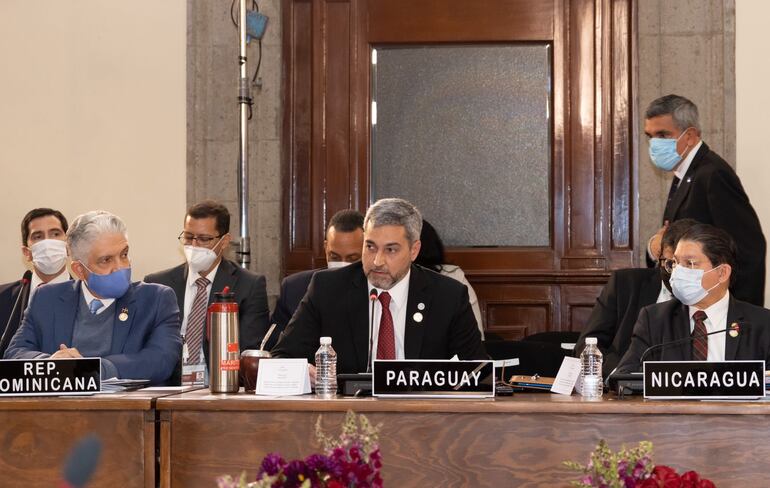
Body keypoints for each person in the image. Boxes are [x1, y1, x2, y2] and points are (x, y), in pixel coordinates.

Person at [271, 198, 486, 374]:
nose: (377, 261)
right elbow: (282, 357)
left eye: (391, 250)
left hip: (422, 419)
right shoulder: (328, 289)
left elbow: (479, 369)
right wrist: (304, 373)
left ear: (414, 250)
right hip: (348, 419)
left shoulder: (447, 296)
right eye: (370, 247)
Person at [4, 210, 181, 385]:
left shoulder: (156, 299)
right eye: (106, 260)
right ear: (80, 270)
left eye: (124, 254)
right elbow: (15, 353)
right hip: (57, 410)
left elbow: (161, 360)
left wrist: (94, 368)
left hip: (125, 412)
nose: (120, 267)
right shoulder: (46, 298)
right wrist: (53, 365)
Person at [644, 94, 766, 306]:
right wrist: (656, 246)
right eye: (650, 136)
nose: (655, 144)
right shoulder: (685, 173)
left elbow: (747, 249)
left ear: (689, 136)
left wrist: (740, 318)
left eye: (663, 135)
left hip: (716, 309)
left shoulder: (713, 174)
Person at [616, 224, 770, 373]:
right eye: (675, 263)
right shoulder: (655, 320)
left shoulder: (762, 324)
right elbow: (625, 378)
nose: (678, 271)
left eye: (690, 263)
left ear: (722, 272)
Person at [144, 200, 269, 383]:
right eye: (188, 237)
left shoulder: (249, 285)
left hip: (221, 387)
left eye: (203, 239)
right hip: (169, 388)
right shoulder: (158, 284)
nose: (194, 245)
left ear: (224, 241)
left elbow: (248, 350)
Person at [575, 219, 698, 375]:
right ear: (659, 258)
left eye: (687, 265)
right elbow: (587, 345)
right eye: (669, 264)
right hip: (626, 389)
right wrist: (623, 376)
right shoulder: (625, 285)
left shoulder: (709, 292)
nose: (676, 272)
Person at [269, 209, 365, 345]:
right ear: (326, 248)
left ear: (367, 251)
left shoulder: (376, 290)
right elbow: (275, 348)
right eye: (334, 257)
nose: (343, 265)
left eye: (352, 258)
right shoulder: (294, 289)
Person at [0, 208, 70, 356]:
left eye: (55, 234)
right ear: (27, 253)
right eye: (38, 237)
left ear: (68, 245)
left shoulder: (90, 296)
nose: (48, 242)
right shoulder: (3, 298)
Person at [415, 219, 484, 339]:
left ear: (415, 248)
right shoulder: (381, 282)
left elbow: (474, 345)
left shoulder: (453, 279)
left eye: (391, 249)